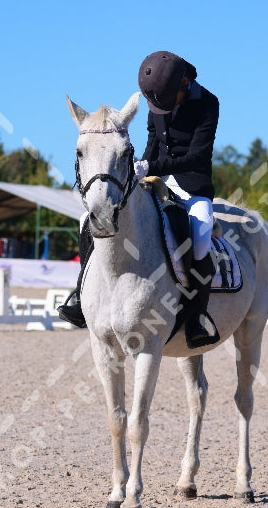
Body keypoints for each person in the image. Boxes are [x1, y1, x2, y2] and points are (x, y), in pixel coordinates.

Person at [58, 50, 221, 348]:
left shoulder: (208, 103)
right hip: (151, 176)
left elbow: (199, 155)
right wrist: (141, 168)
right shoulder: (157, 98)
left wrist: (152, 166)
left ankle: (197, 313)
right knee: (89, 218)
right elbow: (153, 141)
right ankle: (81, 295)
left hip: (191, 183)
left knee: (200, 231)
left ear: (184, 83)